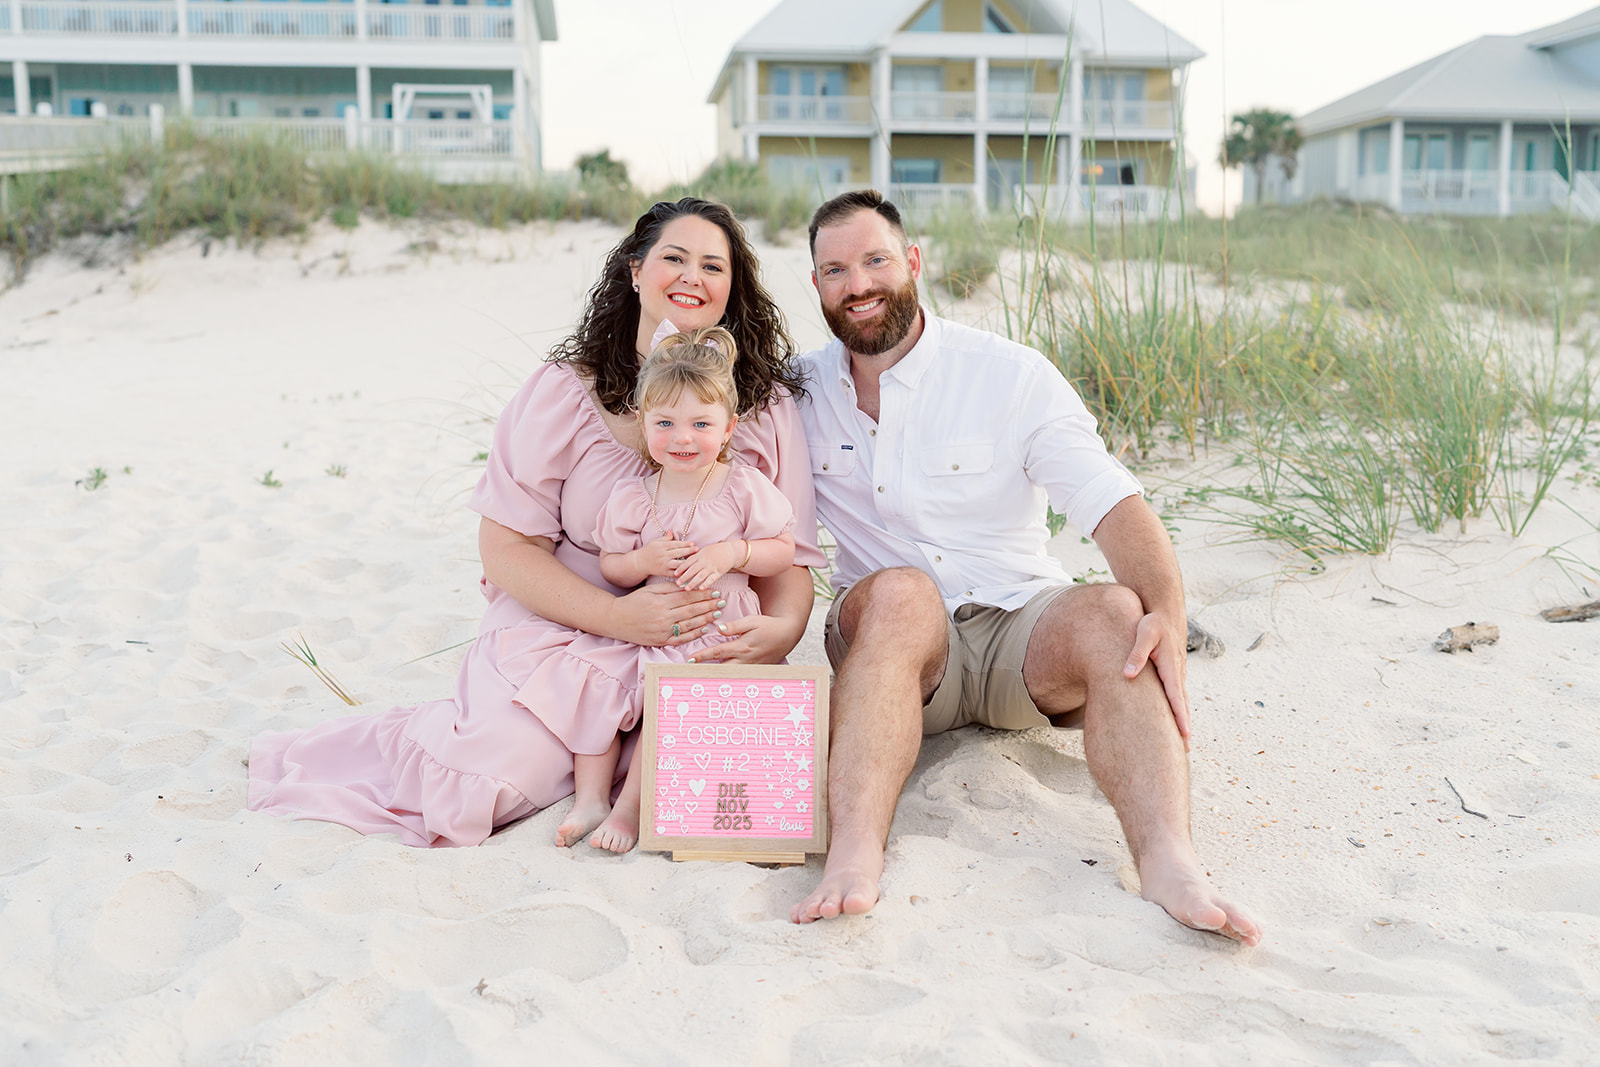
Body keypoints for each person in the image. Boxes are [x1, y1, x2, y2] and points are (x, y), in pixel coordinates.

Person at [248, 198, 824, 848]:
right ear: (636, 270)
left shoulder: (765, 407)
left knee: (709, 785)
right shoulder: (564, 391)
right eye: (674, 257)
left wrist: (779, 632)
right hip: (563, 631)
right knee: (489, 785)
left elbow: (791, 560)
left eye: (713, 265)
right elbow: (506, 548)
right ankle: (356, 750)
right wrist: (618, 618)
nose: (693, 276)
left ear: (731, 289)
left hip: (703, 642)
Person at [789, 190, 1261, 945]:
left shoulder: (1007, 374)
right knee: (904, 594)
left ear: (913, 262)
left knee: (1117, 612)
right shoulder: (795, 391)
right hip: (896, 650)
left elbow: (1109, 500)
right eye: (836, 270)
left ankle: (1170, 862)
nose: (859, 284)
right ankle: (854, 853)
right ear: (816, 284)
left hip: (1020, 635)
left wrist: (1167, 613)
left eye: (876, 260)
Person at [552, 325, 798, 852]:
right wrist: (641, 561)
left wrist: (732, 553)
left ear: (729, 428)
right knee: (595, 685)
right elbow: (612, 566)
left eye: (700, 424)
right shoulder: (635, 494)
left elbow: (783, 550)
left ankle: (629, 810)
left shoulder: (742, 487)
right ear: (643, 425)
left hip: (715, 628)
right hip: (650, 626)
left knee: (674, 703)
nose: (682, 438)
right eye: (665, 423)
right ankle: (590, 798)